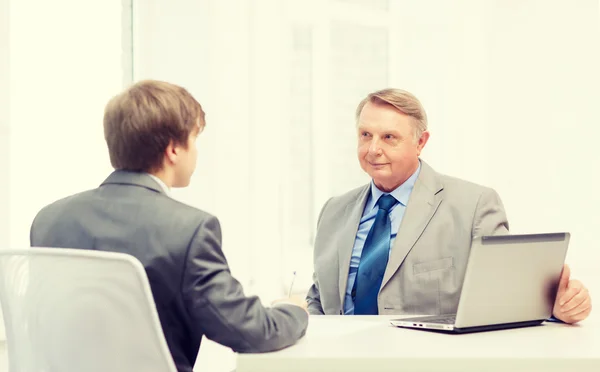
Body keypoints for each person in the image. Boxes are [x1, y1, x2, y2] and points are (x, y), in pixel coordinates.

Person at [30, 80, 309, 372]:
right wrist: (292, 310)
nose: (197, 152)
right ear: (174, 150)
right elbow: (250, 331)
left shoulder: (48, 221)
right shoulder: (190, 230)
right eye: (194, 140)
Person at [306, 88, 592, 324]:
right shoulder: (333, 211)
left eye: (389, 137)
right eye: (366, 135)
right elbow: (320, 298)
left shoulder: (473, 206)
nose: (373, 149)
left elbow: (507, 300)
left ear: (420, 142)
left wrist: (557, 308)